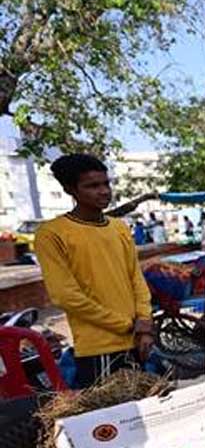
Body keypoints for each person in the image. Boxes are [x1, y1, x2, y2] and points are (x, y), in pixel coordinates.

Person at [35, 154, 155, 389]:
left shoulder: (119, 228)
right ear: (71, 189)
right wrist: (128, 325)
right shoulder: (52, 234)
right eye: (92, 186)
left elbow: (136, 278)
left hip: (138, 340)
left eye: (105, 183)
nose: (103, 191)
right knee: (111, 421)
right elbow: (66, 296)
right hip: (98, 347)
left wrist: (144, 322)